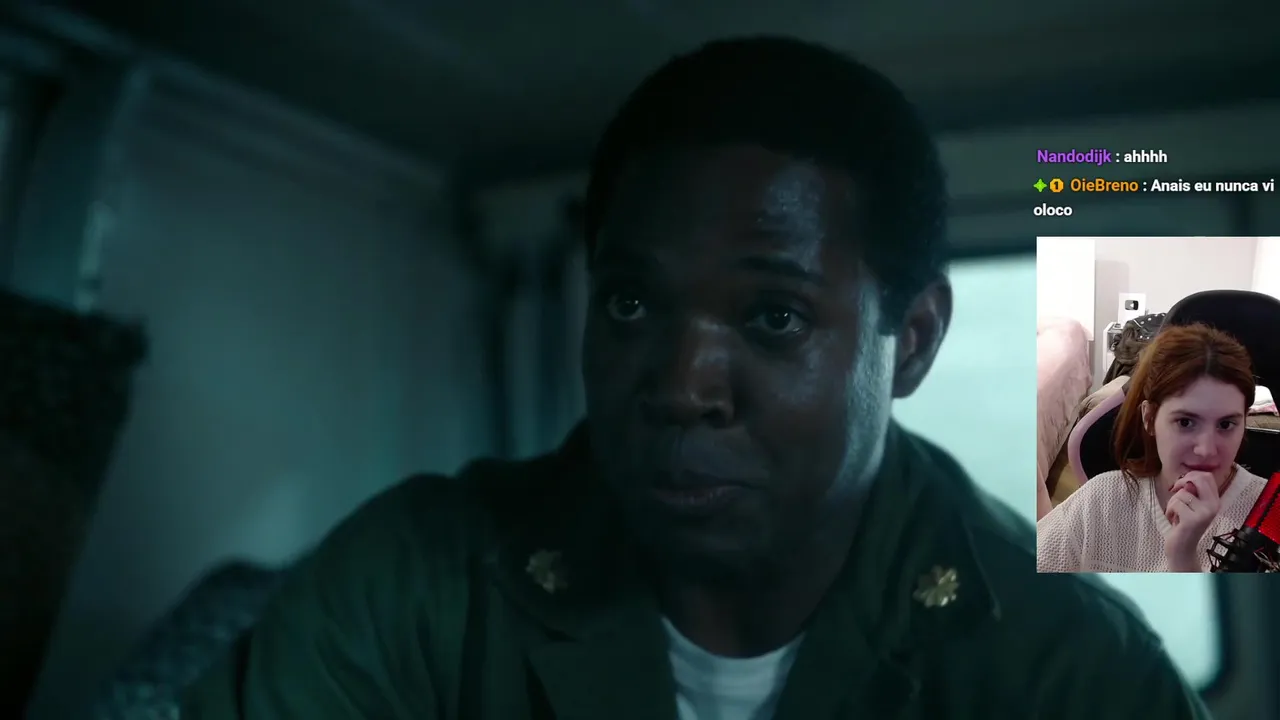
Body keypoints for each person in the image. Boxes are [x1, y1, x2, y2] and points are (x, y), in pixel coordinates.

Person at [182, 37, 1210, 718]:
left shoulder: (1065, 672)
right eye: (631, 303)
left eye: (773, 317)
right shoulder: (416, 585)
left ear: (910, 342)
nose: (680, 386)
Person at [1039, 323, 1265, 573]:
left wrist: (1184, 559)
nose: (1206, 450)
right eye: (1185, 422)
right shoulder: (1101, 501)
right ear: (1149, 418)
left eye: (1226, 424)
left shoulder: (1270, 515)